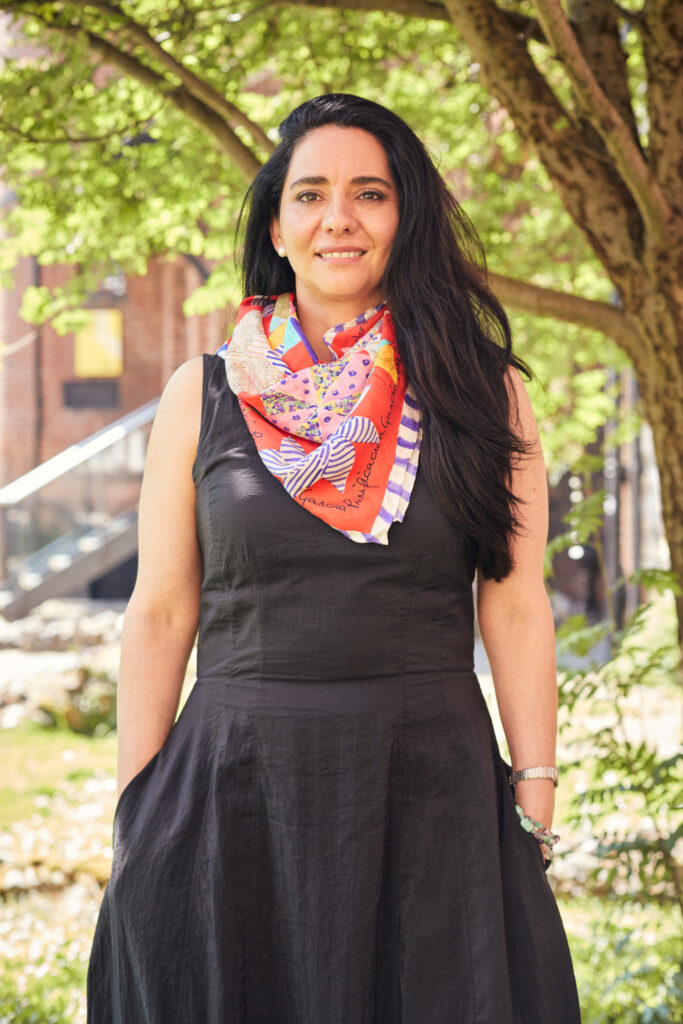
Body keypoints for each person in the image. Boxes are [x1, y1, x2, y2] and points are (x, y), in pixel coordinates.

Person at [87, 93, 582, 1023]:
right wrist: (136, 809)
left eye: (370, 194)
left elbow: (514, 603)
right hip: (232, 791)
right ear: (277, 229)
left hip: (430, 789)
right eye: (310, 195)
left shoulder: (482, 392)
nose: (338, 218)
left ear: (406, 219)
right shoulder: (202, 394)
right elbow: (160, 611)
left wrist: (535, 790)